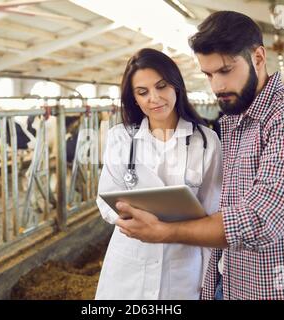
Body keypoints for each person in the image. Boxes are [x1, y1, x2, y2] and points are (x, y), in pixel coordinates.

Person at [115, 11, 284, 300]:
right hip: (235, 285)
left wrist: (164, 231)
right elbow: (225, 208)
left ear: (258, 57)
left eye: (226, 71)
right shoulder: (234, 121)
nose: (217, 86)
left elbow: (260, 220)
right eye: (209, 74)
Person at [95, 48, 222, 300]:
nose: (154, 98)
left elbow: (213, 212)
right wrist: (130, 220)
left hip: (182, 269)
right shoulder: (120, 138)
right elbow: (104, 199)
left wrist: (207, 281)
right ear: (134, 98)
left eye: (161, 86)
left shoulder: (207, 142)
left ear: (176, 86)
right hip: (128, 263)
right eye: (142, 92)